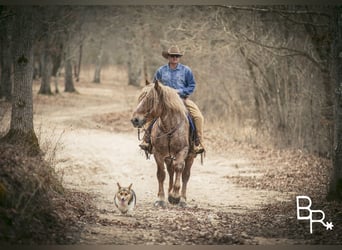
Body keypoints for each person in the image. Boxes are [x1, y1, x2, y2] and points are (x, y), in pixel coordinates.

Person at [139, 45, 205, 154]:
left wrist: (180, 91)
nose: (175, 58)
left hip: (182, 100)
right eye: (172, 56)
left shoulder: (186, 70)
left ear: (179, 57)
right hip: (163, 102)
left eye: (177, 56)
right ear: (168, 57)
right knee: (150, 115)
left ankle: (198, 143)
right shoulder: (161, 71)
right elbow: (155, 87)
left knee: (198, 117)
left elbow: (192, 85)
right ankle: (146, 140)